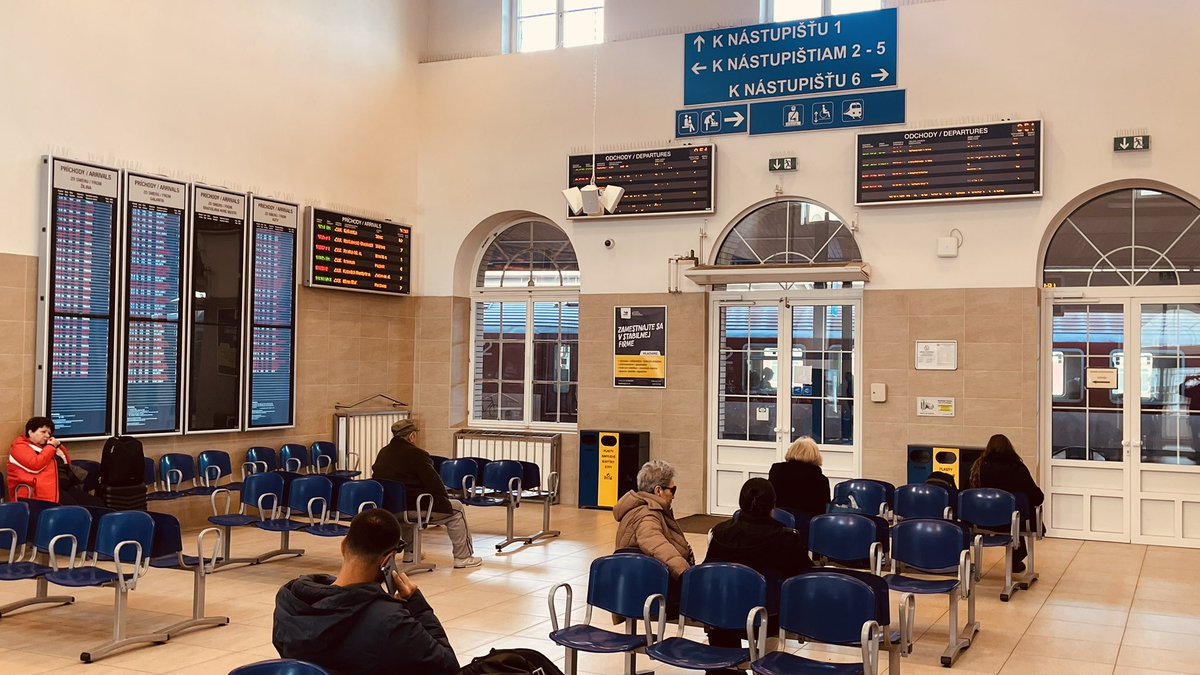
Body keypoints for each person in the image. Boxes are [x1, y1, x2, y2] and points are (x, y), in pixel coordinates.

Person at [273, 508, 460, 675]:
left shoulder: (290, 602)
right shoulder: (389, 620)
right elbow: (448, 666)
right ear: (387, 562)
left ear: (344, 545)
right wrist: (417, 605)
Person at [703, 478, 811, 673]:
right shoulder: (785, 538)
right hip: (767, 620)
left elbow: (709, 573)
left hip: (722, 616)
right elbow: (803, 579)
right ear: (773, 505)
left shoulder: (719, 534)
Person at [371, 419, 481, 569]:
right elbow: (434, 483)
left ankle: (410, 553)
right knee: (457, 510)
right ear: (411, 436)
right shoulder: (417, 454)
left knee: (405, 509)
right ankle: (463, 557)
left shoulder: (383, 453)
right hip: (415, 507)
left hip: (390, 508)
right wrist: (444, 499)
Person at [968, 433, 1044, 573]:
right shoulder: (1017, 468)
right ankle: (1016, 562)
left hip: (982, 520)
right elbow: (1037, 497)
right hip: (1012, 522)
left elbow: (972, 491)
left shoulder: (979, 467)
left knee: (1014, 513)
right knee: (1017, 513)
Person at [614, 460, 695, 579]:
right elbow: (656, 545)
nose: (673, 496)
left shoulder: (643, 509)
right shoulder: (647, 515)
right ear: (658, 491)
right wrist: (686, 573)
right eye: (672, 490)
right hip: (648, 580)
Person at [7, 416, 100, 505]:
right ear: (30, 432)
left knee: (95, 503)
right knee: (74, 509)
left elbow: (67, 463)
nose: (47, 435)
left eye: (49, 433)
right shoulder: (19, 447)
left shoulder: (46, 447)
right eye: (43, 432)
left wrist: (59, 447)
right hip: (41, 490)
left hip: (60, 486)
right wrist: (51, 447)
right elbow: (35, 465)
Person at [768, 436, 831, 521]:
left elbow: (769, 498)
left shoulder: (776, 470)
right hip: (805, 526)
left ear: (792, 451)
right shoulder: (821, 480)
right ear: (815, 455)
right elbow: (822, 512)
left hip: (777, 521)